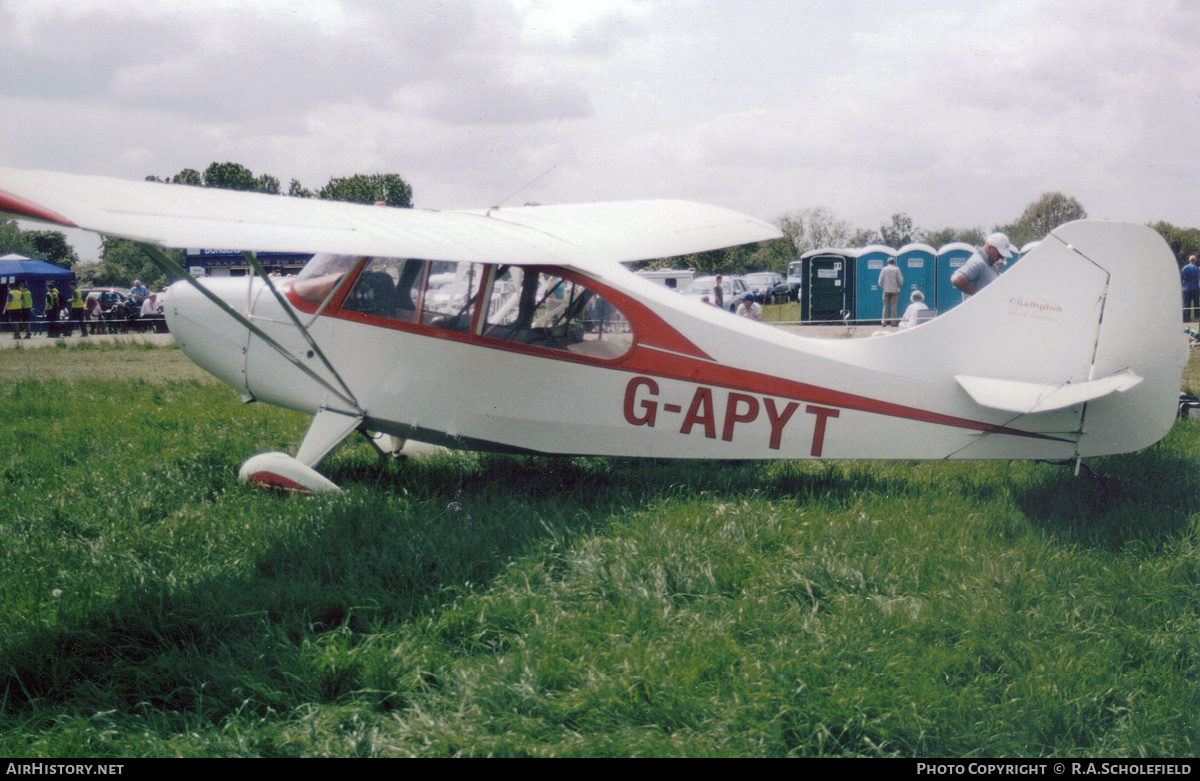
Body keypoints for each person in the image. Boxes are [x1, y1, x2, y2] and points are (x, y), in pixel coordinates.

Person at [951, 232, 1013, 298]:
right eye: (1000, 254)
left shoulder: (991, 264)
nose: (1002, 257)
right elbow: (957, 279)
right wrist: (977, 296)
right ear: (990, 248)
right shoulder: (978, 262)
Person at [878, 257, 904, 326]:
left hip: (886, 291)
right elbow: (901, 280)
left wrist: (883, 287)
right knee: (894, 307)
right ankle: (893, 323)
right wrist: (897, 286)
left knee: (885, 307)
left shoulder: (884, 269)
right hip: (894, 291)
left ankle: (884, 323)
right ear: (894, 262)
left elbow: (880, 281)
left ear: (887, 262)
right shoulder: (896, 269)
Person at [1182, 255, 1200, 322]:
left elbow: (1181, 278)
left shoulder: (1184, 268)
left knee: (1186, 304)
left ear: (1189, 260)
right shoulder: (1197, 268)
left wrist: (1183, 286)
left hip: (1186, 288)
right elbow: (1199, 279)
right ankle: (1197, 317)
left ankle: (1186, 318)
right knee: (1196, 303)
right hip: (1195, 288)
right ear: (1195, 261)